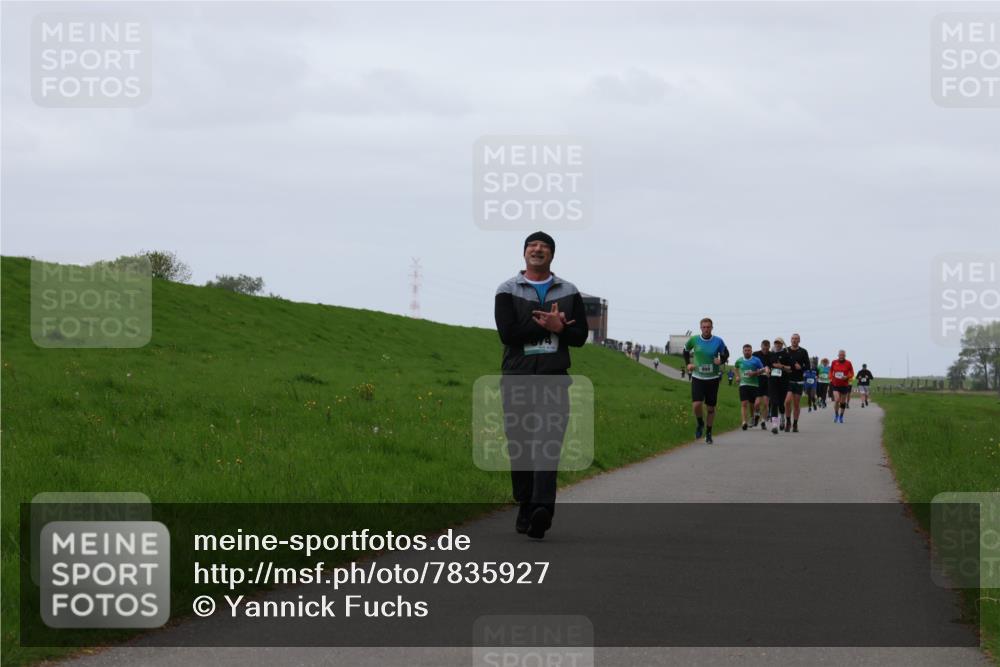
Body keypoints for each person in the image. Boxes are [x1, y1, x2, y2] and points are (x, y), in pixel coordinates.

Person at [494, 231, 588, 539]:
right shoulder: (507, 290)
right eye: (532, 246)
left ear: (552, 255)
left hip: (554, 379)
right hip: (517, 378)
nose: (538, 250)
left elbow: (580, 337)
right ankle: (525, 504)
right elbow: (507, 334)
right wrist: (544, 324)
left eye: (544, 247)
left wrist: (560, 328)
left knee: (548, 445)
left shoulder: (569, 291)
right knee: (520, 446)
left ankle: (543, 511)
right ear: (524, 253)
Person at [684, 318, 729, 444]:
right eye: (704, 327)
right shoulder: (694, 339)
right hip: (698, 377)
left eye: (708, 327)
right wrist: (688, 364)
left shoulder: (718, 341)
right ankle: (700, 423)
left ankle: (708, 433)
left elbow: (726, 353)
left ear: (712, 328)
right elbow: (685, 350)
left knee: (710, 408)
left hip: (713, 379)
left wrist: (721, 360)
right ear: (700, 328)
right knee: (696, 405)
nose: (706, 329)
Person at [783, 333, 811, 433]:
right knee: (787, 402)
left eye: (796, 339)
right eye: (793, 339)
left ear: (799, 340)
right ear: (790, 340)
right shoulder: (786, 351)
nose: (794, 340)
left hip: (799, 381)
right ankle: (788, 422)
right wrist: (785, 368)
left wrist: (801, 367)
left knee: (796, 404)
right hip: (788, 380)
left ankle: (795, 423)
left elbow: (808, 366)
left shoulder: (803, 351)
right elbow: (781, 363)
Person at [763, 337, 792, 434]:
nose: (777, 344)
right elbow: (766, 365)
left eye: (779, 343)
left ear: (782, 344)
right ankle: (775, 425)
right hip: (772, 381)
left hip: (783, 381)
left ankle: (783, 417)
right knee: (774, 402)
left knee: (781, 403)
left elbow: (790, 369)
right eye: (776, 343)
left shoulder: (786, 354)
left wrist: (782, 366)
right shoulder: (770, 354)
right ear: (774, 344)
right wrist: (767, 369)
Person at [735, 344, 765, 430]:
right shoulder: (739, 360)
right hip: (743, 385)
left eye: (749, 350)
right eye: (745, 350)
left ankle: (753, 416)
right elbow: (736, 368)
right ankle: (744, 422)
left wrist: (755, 373)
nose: (747, 352)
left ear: (751, 351)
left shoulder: (756, 360)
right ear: (743, 351)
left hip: (754, 385)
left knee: (754, 405)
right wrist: (737, 376)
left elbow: (762, 369)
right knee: (744, 403)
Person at [829, 350, 855, 424]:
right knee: (837, 400)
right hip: (835, 384)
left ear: (845, 356)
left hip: (844, 385)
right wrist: (830, 377)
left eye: (843, 355)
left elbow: (852, 373)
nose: (841, 356)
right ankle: (836, 415)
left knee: (843, 402)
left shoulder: (848, 363)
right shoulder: (834, 362)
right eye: (840, 355)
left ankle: (841, 416)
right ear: (838, 355)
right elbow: (831, 371)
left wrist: (847, 377)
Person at [752, 340, 771, 429]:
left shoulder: (771, 355)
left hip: (768, 381)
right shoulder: (756, 354)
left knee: (766, 403)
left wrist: (770, 371)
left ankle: (763, 421)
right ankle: (756, 415)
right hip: (758, 380)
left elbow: (774, 366)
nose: (765, 349)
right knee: (757, 404)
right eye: (764, 347)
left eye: (767, 347)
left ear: (769, 347)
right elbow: (752, 365)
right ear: (761, 346)